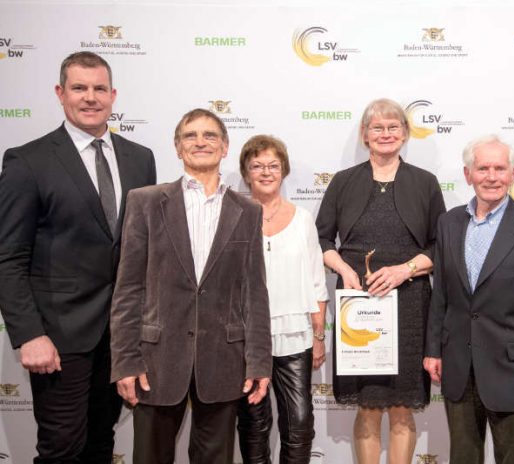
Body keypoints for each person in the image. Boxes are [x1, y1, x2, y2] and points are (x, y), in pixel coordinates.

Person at [0, 51, 156, 463]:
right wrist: (29, 334)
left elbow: (143, 250)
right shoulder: (27, 160)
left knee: (102, 442)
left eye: (99, 88)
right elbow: (8, 257)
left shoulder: (141, 159)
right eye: (80, 88)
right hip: (58, 336)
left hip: (122, 335)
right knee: (61, 449)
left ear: (113, 95)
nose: (91, 98)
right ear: (60, 93)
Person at [109, 109, 272, 463]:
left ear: (225, 147)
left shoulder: (248, 210)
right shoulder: (145, 201)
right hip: (156, 361)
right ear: (178, 147)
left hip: (224, 362)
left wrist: (259, 362)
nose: (201, 142)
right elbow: (128, 290)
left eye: (210, 135)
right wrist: (124, 361)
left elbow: (254, 293)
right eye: (191, 136)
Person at [315, 98, 446, 463]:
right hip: (357, 305)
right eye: (377, 128)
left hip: (409, 305)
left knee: (402, 407)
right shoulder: (343, 182)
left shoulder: (425, 182)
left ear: (404, 134)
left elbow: (440, 244)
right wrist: (343, 269)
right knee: (369, 407)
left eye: (393, 127)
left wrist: (406, 269)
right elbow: (322, 240)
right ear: (364, 135)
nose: (385, 134)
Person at [423, 135, 514, 464]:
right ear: (467, 173)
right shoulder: (449, 223)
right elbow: (441, 292)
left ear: (513, 173)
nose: (491, 176)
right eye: (482, 168)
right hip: (459, 367)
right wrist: (433, 349)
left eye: (499, 168)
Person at [235, 135, 329, 463]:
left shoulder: (302, 219)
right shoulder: (233, 216)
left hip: (295, 335)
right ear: (246, 172)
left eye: (273, 165)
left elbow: (317, 282)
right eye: (257, 165)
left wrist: (319, 337)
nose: (265, 172)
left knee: (300, 423)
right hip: (247, 338)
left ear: (284, 171)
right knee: (253, 424)